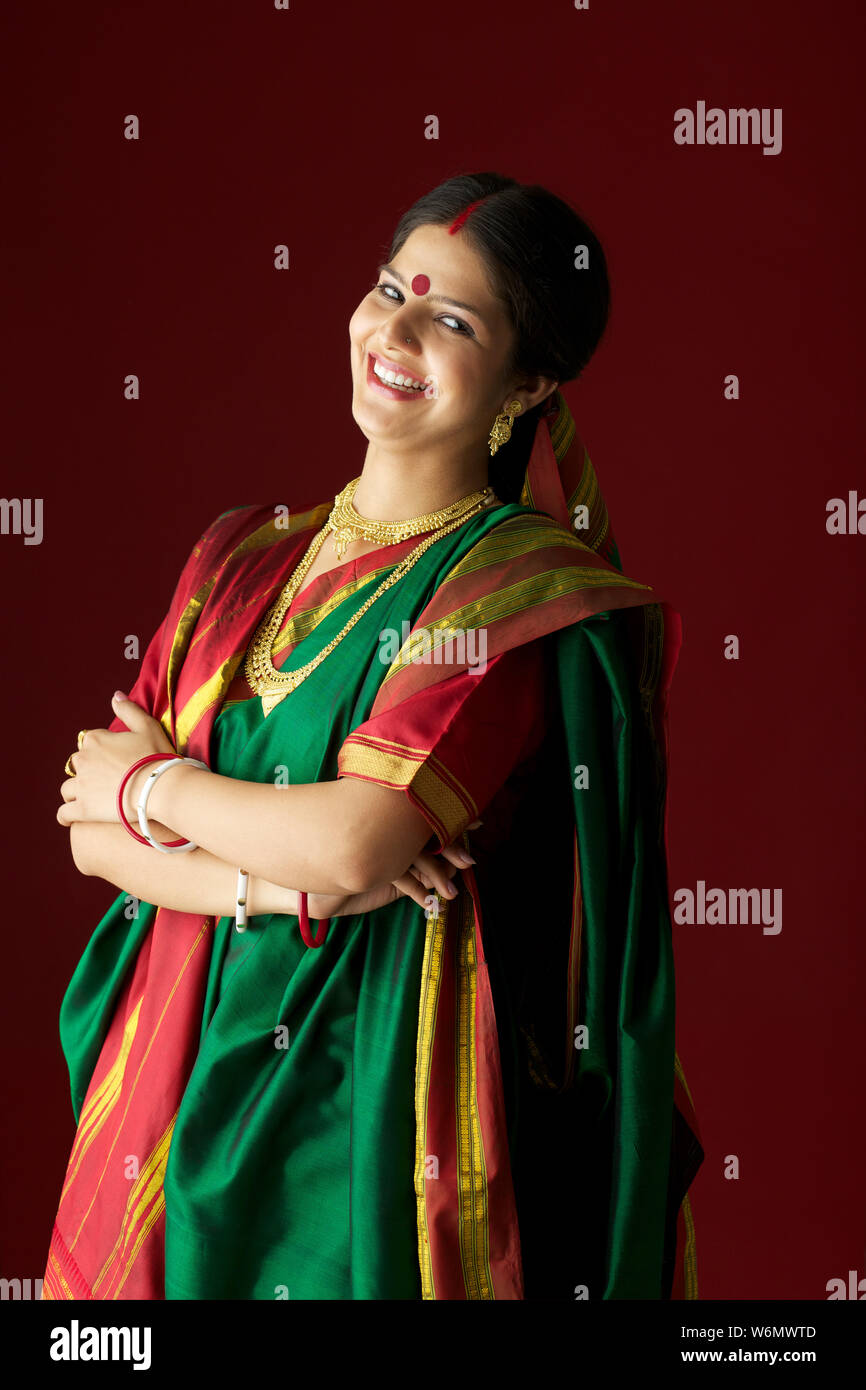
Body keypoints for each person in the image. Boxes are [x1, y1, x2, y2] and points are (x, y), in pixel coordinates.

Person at [43, 171, 703, 1302]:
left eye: (450, 318)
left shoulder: (507, 593)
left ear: (527, 381)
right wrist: (296, 887)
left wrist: (150, 787)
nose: (391, 331)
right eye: (388, 288)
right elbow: (88, 840)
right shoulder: (236, 561)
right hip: (169, 1085)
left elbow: (352, 838)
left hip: (369, 1122)